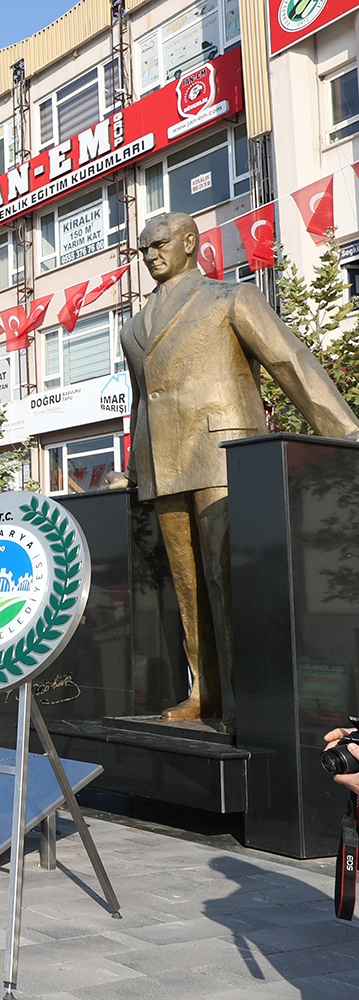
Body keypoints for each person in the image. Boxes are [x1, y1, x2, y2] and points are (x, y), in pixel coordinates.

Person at [112, 211, 359, 725]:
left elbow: (289, 361)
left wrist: (344, 431)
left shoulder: (229, 297)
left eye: (159, 244)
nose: (151, 255)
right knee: (187, 588)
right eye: (143, 250)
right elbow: (142, 401)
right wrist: (137, 470)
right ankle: (206, 693)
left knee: (229, 575)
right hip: (164, 463)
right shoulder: (132, 327)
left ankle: (252, 695)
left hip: (224, 450)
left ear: (189, 242)